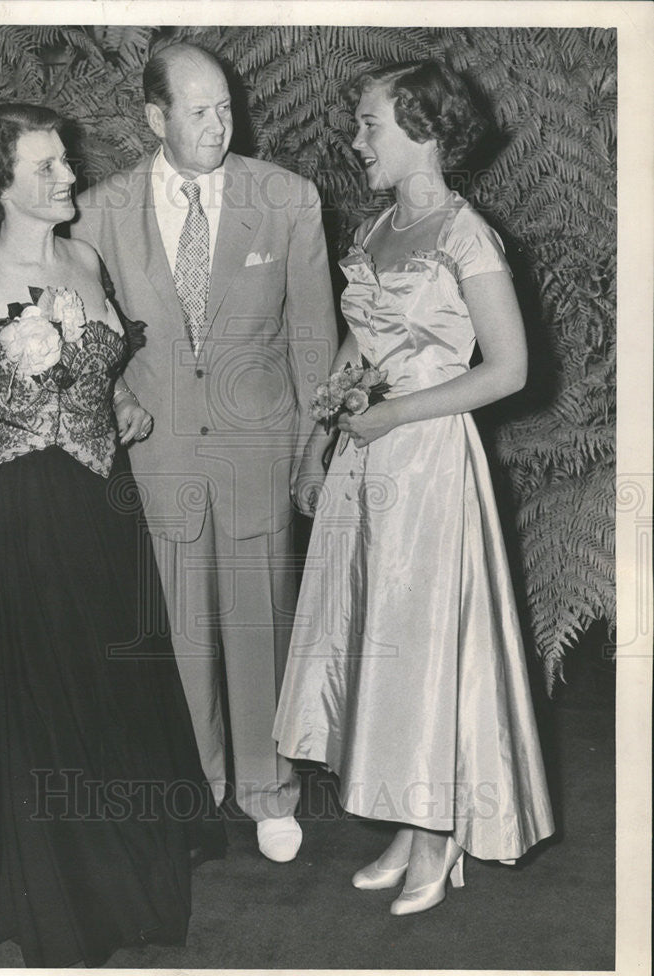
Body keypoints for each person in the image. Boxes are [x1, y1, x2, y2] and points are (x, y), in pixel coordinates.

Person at [0, 102, 223, 968]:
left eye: (63, 161)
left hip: (105, 505)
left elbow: (104, 365)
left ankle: (127, 872)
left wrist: (121, 402)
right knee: (53, 697)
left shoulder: (85, 258)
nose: (66, 178)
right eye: (44, 168)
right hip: (27, 515)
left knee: (117, 686)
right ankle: (65, 890)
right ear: (2, 184)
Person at [274, 60, 555, 914]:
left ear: (423, 131)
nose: (356, 140)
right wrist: (316, 442)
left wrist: (395, 418)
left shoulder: (468, 236)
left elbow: (508, 371)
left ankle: (440, 834)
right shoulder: (376, 227)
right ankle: (408, 819)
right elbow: (358, 348)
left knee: (424, 648)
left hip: (429, 462)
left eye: (369, 125)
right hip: (366, 462)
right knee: (377, 648)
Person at [72, 42, 338, 863]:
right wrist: (111, 402)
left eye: (225, 107)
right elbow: (84, 335)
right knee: (179, 631)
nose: (219, 125)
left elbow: (311, 338)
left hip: (259, 448)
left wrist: (313, 450)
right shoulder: (99, 211)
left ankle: (267, 791)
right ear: (154, 118)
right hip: (158, 454)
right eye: (198, 111)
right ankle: (196, 786)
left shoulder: (287, 199)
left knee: (258, 625)